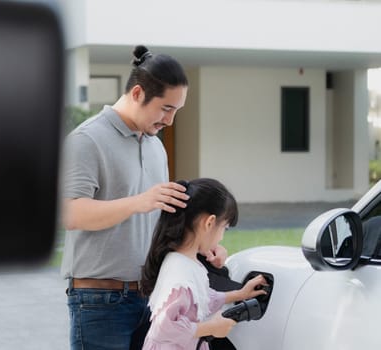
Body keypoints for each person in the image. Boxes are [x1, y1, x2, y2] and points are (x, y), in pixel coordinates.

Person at [61, 45, 191, 350]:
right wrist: (138, 201)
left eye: (176, 111)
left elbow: (159, 218)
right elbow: (72, 213)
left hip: (151, 297)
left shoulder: (154, 145)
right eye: (166, 108)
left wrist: (200, 247)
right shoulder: (86, 140)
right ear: (136, 94)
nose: (170, 121)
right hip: (100, 303)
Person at [140, 178, 268, 350]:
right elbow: (163, 328)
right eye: (225, 228)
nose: (222, 236)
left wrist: (239, 294)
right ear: (209, 223)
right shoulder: (180, 274)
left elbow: (203, 298)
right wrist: (210, 328)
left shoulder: (186, 262)